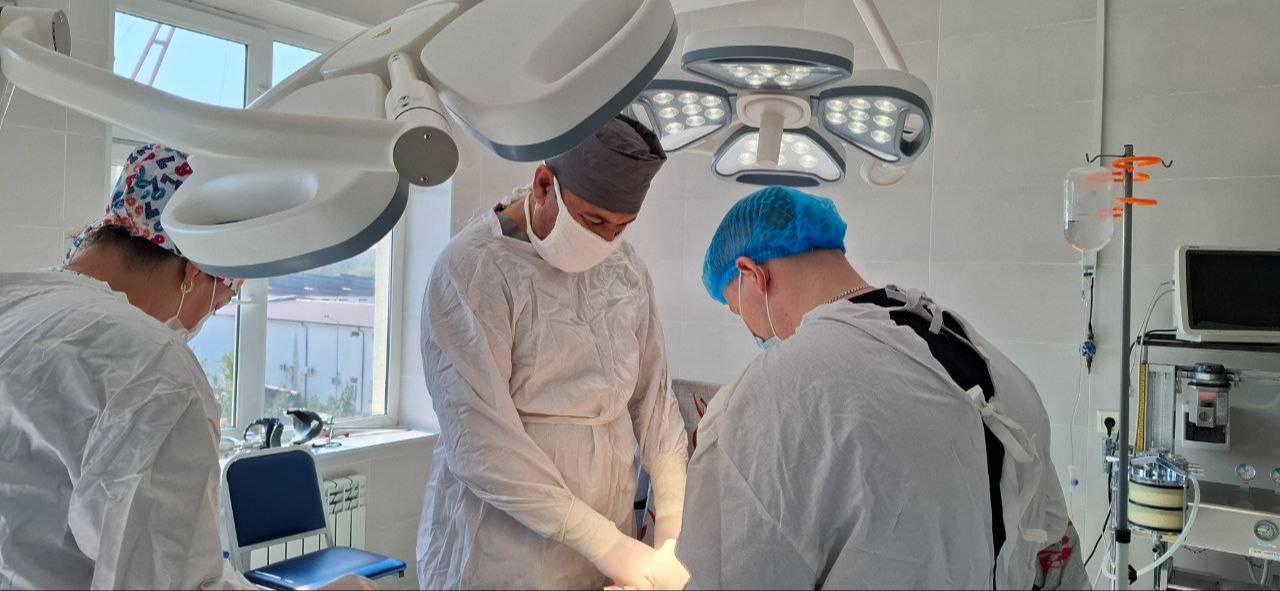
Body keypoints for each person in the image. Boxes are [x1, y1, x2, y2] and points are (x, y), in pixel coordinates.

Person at [661, 186, 1088, 589]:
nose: (754, 332)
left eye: (739, 312)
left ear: (752, 274)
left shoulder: (767, 399)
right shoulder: (976, 353)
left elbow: (734, 572)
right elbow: (1055, 551)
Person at [0, 144, 369, 591]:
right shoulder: (152, 370)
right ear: (195, 272)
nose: (201, 321)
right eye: (219, 302)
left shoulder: (13, 301)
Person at [416, 115, 689, 589]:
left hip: (606, 546)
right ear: (544, 185)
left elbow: (654, 402)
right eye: (593, 221)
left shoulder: (624, 268)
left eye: (622, 227)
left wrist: (671, 525)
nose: (605, 241)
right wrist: (605, 543)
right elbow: (480, 440)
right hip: (503, 552)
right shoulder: (475, 270)